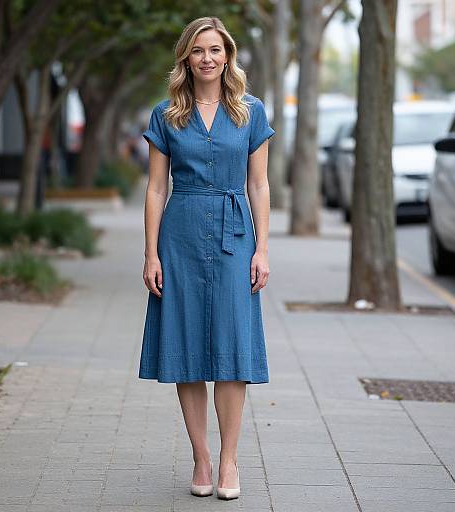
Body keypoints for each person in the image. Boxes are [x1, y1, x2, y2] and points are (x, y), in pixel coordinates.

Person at [138, 16, 274, 500]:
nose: (208, 58)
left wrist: (262, 247)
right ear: (186, 58)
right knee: (188, 348)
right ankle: (201, 457)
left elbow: (258, 184)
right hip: (181, 234)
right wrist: (151, 253)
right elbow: (156, 188)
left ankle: (230, 462)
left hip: (236, 236)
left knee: (233, 352)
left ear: (228, 56)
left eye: (216, 50)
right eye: (199, 50)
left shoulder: (249, 112)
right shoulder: (167, 114)